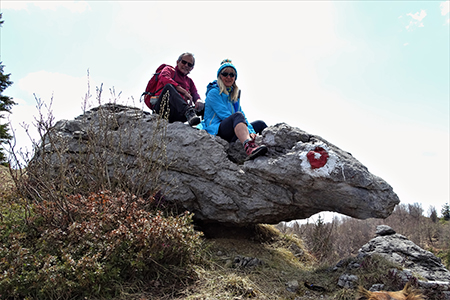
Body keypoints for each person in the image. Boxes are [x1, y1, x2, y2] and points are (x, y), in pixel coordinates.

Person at [198, 59, 268, 160]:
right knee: (237, 116)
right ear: (219, 76)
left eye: (232, 75)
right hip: (217, 130)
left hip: (234, 128)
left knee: (260, 124)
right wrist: (248, 132)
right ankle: (249, 147)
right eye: (225, 74)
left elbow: (243, 116)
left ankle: (269, 148)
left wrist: (251, 130)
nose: (228, 77)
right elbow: (225, 115)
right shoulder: (213, 93)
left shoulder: (233, 96)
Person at [153, 52, 204, 126]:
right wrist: (184, 92)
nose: (186, 65)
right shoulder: (169, 70)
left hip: (178, 114)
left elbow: (195, 94)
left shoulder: (189, 81)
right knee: (168, 87)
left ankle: (209, 127)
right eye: (184, 62)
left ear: (192, 68)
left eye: (189, 65)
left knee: (205, 106)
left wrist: (198, 101)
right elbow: (164, 78)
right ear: (177, 62)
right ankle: (188, 112)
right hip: (162, 109)